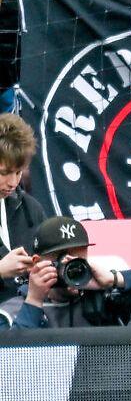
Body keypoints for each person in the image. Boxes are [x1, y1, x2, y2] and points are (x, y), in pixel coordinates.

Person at [5, 216, 131, 328]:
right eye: (61, 259)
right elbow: (11, 362)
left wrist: (114, 279)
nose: (71, 267)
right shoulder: (13, 310)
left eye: (78, 259)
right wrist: (34, 300)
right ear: (37, 262)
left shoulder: (105, 298)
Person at [0, 114, 46, 310]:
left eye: (18, 172)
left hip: (25, 319)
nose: (13, 182)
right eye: (4, 173)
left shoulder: (31, 208)